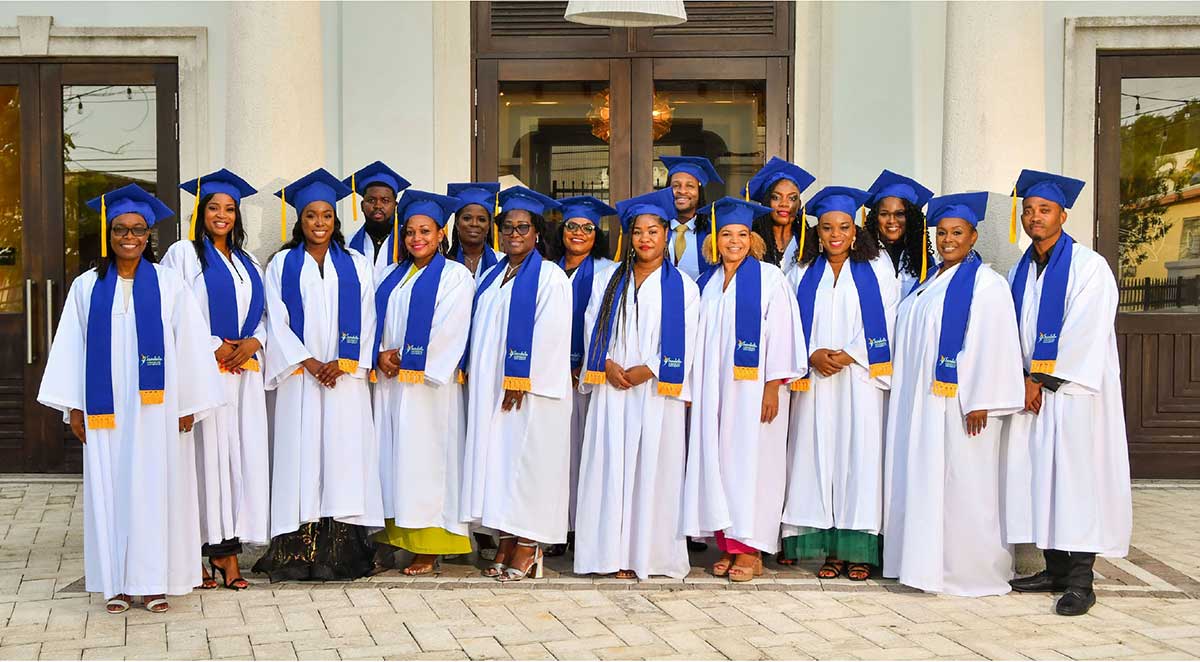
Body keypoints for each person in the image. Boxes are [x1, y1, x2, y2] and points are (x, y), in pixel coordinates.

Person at [38, 184, 224, 614]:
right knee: (111, 490)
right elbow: (71, 347)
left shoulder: (170, 283)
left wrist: (188, 405)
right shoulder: (87, 287)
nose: (129, 236)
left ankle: (154, 581)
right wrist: (75, 408)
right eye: (121, 228)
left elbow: (190, 345)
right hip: (107, 413)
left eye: (138, 230)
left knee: (155, 490)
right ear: (109, 234)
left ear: (147, 236)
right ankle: (117, 584)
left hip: (157, 410)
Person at [882, 192, 1025, 596]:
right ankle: (926, 565)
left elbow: (994, 344)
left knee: (964, 485)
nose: (947, 239)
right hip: (924, 406)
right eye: (942, 232)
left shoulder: (987, 284)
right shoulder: (930, 282)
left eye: (957, 232)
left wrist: (981, 398)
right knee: (931, 483)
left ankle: (968, 569)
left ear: (973, 236)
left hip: (962, 406)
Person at [1004, 170, 1131, 616]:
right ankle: (1054, 569)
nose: (1035, 217)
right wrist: (1019, 379)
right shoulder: (1022, 269)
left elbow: (1084, 332)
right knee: (1041, 480)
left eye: (1044, 210)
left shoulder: (1088, 267)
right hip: (1032, 394)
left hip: (1072, 395)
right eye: (1030, 210)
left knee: (1074, 483)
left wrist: (1038, 379)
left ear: (1062, 214)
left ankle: (1080, 581)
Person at [253, 168, 382, 581]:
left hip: (344, 379)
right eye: (311, 215)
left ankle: (340, 550)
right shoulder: (281, 265)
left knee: (343, 455)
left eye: (327, 214)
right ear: (300, 220)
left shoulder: (357, 264)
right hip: (301, 379)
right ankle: (297, 550)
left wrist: (343, 362)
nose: (320, 222)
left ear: (336, 219)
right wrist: (308, 362)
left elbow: (368, 317)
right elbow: (275, 319)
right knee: (301, 454)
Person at [573, 188, 700, 579]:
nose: (645, 239)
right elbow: (590, 327)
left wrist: (651, 368)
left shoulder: (685, 287)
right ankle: (607, 555)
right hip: (613, 392)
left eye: (653, 231)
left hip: (655, 394)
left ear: (665, 235)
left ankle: (649, 556)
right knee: (610, 470)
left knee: (653, 472)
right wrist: (606, 364)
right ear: (630, 237)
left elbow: (689, 339)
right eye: (638, 231)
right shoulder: (608, 282)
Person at [682, 196, 804, 582]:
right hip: (713, 392)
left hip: (754, 393)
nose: (734, 241)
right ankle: (727, 544)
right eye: (726, 234)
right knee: (718, 464)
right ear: (714, 241)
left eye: (741, 234)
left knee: (754, 466)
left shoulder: (770, 279)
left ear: (753, 239)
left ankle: (750, 549)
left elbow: (784, 334)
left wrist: (772, 387)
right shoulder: (707, 283)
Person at [780, 186, 899, 580]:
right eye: (827, 227)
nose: (835, 235)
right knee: (815, 456)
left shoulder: (879, 264)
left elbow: (888, 314)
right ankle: (830, 550)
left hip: (859, 378)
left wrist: (850, 353)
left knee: (858, 458)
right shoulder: (798, 265)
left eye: (843, 227)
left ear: (855, 230)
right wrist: (812, 353)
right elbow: (785, 317)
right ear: (816, 230)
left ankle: (858, 548)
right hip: (813, 377)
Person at [163, 168, 268, 591]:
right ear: (200, 212)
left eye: (229, 209)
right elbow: (176, 312)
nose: (221, 215)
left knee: (238, 461)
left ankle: (228, 550)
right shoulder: (182, 255)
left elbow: (266, 313)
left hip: (244, 377)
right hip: (206, 374)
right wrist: (214, 345)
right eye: (213, 208)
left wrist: (254, 342)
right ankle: (211, 556)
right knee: (204, 462)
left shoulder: (248, 261)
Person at [460, 186, 572, 582]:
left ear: (537, 233)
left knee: (529, 465)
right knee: (502, 465)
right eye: (507, 227)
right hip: (494, 390)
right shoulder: (494, 275)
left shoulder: (551, 277)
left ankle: (530, 545)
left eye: (522, 227)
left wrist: (520, 379)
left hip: (530, 393)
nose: (513, 234)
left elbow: (553, 337)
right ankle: (508, 536)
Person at [371, 190, 475, 576]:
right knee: (393, 458)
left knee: (428, 460)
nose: (417, 238)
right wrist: (378, 354)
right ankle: (394, 538)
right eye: (411, 231)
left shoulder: (456, 276)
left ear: (441, 232)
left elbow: (452, 329)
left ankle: (431, 546)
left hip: (430, 389)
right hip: (391, 384)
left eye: (425, 231)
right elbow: (372, 322)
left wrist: (407, 358)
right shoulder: (391, 275)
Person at [549, 195, 617, 558]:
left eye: (587, 228)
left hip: (588, 378)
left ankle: (581, 526)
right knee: (557, 452)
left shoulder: (609, 271)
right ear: (562, 230)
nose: (579, 233)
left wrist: (587, 362)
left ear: (597, 234)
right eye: (572, 226)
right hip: (550, 375)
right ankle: (557, 524)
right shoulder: (545, 269)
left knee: (586, 451)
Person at [862, 170, 935, 296]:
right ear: (875, 218)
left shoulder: (925, 262)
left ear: (911, 217)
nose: (891, 221)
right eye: (884, 214)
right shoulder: (862, 257)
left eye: (900, 214)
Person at [746, 157, 816, 270]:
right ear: (766, 202)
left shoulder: (810, 243)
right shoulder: (751, 242)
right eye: (776, 197)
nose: (784, 204)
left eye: (792, 198)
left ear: (799, 204)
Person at [344, 160, 411, 274]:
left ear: (395, 206)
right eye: (371, 200)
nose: (378, 205)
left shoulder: (409, 243)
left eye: (385, 200)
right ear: (362, 206)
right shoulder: (347, 244)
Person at [662, 155, 723, 281]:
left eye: (690, 186)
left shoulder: (712, 233)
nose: (682, 191)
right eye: (675, 185)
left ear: (699, 192)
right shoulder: (656, 230)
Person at [446, 182, 502, 280]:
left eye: (481, 219)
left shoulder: (502, 262)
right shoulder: (444, 264)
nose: (474, 224)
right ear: (457, 223)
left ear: (489, 225)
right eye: (467, 218)